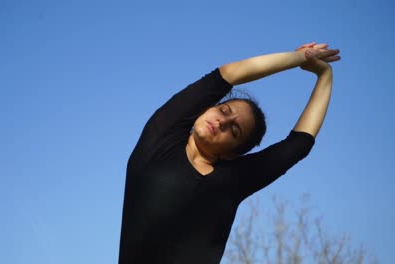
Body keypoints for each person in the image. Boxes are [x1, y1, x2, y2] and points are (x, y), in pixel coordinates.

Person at [118, 42, 341, 264]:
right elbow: (228, 74)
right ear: (208, 108)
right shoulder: (160, 138)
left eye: (234, 130)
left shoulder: (232, 182)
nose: (222, 121)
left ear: (232, 154)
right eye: (224, 110)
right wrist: (302, 57)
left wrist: (325, 75)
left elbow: (300, 143)